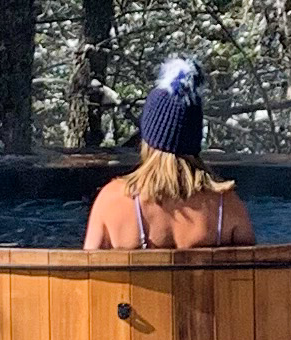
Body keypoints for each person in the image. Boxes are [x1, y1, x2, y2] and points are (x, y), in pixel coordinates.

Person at [83, 55, 255, 251]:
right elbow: (252, 276)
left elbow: (88, 277)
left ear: (147, 139)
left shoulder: (112, 200)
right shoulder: (227, 205)